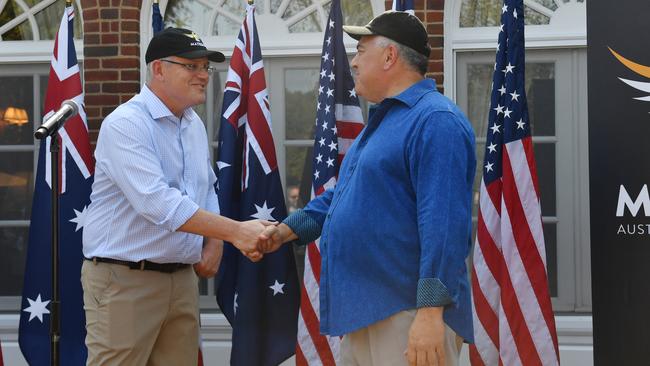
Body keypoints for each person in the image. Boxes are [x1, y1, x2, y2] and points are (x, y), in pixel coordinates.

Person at [258, 11, 476, 366]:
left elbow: (445, 224)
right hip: (367, 312)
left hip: (408, 315)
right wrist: (286, 231)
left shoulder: (436, 121)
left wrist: (430, 313)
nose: (354, 62)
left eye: (361, 51)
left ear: (390, 56)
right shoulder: (385, 120)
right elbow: (344, 195)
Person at [81, 27, 267, 365]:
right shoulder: (125, 123)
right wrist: (236, 232)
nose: (202, 76)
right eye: (191, 66)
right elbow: (158, 203)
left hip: (181, 279)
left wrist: (216, 241)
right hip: (125, 280)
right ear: (158, 69)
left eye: (205, 68)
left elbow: (205, 187)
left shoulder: (192, 124)